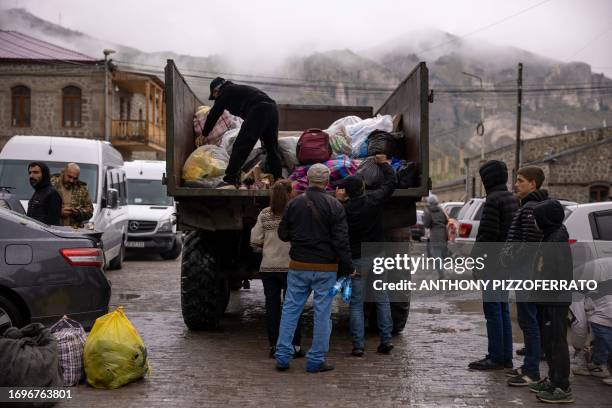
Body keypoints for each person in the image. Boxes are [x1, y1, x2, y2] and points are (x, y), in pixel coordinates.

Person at [275, 163, 354, 373]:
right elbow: (341, 241)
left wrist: (300, 237)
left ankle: (282, 357)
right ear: (327, 181)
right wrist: (348, 267)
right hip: (326, 268)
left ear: (307, 180)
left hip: (299, 265)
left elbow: (282, 234)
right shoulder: (335, 206)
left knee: (290, 310)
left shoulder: (294, 204)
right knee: (322, 314)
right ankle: (315, 360)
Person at [336, 154, 395, 357]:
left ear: (346, 193)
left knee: (356, 303)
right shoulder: (374, 200)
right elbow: (390, 184)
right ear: (363, 188)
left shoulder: (343, 210)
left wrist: (339, 200)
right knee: (382, 298)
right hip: (377, 255)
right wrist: (384, 165)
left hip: (357, 259)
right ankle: (386, 340)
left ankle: (358, 346)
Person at [468, 160, 519, 371]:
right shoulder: (512, 199)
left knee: (493, 311)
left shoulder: (493, 200)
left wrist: (476, 261)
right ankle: (505, 355)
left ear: (488, 179)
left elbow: (487, 235)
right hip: (505, 263)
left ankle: (496, 357)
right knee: (502, 308)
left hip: (492, 264)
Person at [523, 199, 574, 403]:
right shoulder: (550, 236)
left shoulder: (556, 241)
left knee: (556, 343)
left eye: (536, 219)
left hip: (555, 300)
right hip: (547, 299)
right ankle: (553, 379)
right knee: (549, 342)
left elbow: (558, 275)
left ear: (546, 220)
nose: (534, 222)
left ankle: (562, 386)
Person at [502, 165, 548, 386]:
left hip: (526, 273)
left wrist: (510, 258)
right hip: (527, 272)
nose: (516, 185)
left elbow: (529, 244)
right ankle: (529, 365)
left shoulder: (530, 208)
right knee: (531, 321)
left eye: (520, 181)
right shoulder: (531, 206)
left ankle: (531, 372)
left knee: (528, 322)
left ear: (533, 183)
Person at [250, 180, 304, 359]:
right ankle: (294, 345)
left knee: (272, 307)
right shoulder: (296, 212)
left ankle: (274, 345)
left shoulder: (265, 214)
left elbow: (255, 239)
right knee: (293, 307)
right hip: (292, 267)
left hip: (269, 268)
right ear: (290, 194)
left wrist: (264, 249)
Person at [197, 77, 282, 189]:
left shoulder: (226, 91)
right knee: (271, 147)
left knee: (241, 144)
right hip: (273, 109)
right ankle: (278, 180)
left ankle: (230, 179)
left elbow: (214, 113)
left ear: (216, 91)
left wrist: (204, 133)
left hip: (259, 108)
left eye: (214, 97)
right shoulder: (236, 90)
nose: (216, 99)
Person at [51, 163, 94, 228]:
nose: (71, 180)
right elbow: (40, 207)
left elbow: (90, 211)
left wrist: (78, 213)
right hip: (53, 230)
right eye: (69, 177)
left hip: (73, 232)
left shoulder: (82, 188)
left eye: (75, 178)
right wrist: (58, 212)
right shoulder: (51, 184)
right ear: (62, 172)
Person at [422, 194, 448, 279]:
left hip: (435, 235)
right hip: (444, 234)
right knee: (441, 255)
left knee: (436, 256)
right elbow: (446, 220)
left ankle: (442, 274)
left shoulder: (428, 212)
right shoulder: (441, 210)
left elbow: (426, 224)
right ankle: (443, 272)